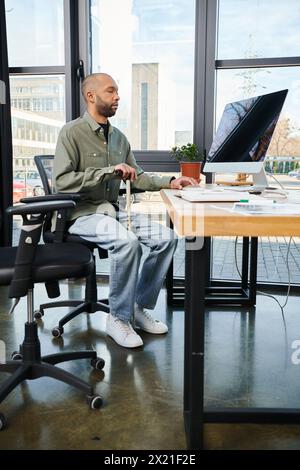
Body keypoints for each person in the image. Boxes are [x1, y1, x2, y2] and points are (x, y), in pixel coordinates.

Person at [54, 73, 198, 348]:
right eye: (110, 92)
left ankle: (138, 307)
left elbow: (138, 176)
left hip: (112, 211)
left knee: (166, 239)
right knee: (127, 242)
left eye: (117, 92)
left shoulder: (119, 138)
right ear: (91, 96)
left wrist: (171, 181)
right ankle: (117, 319)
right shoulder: (71, 132)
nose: (117, 97)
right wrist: (107, 172)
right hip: (81, 213)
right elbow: (61, 182)